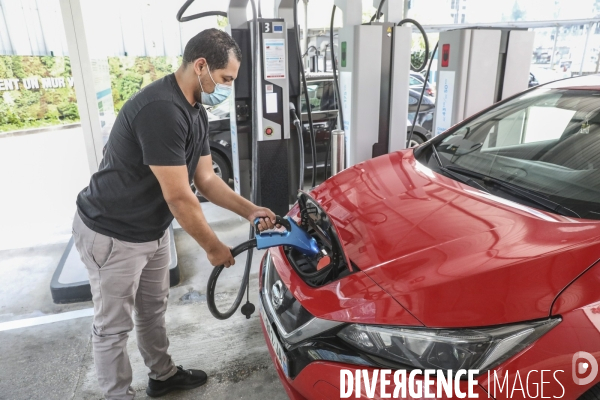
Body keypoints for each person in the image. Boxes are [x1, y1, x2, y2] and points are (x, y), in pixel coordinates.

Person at [72, 28, 277, 399]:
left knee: (152, 310)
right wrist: (213, 246)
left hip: (150, 230)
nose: (227, 87)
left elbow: (206, 180)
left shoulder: (194, 109)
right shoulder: (162, 110)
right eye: (226, 78)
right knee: (112, 327)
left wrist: (251, 210)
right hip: (112, 233)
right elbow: (180, 197)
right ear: (201, 65)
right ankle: (117, 394)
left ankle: (162, 376)